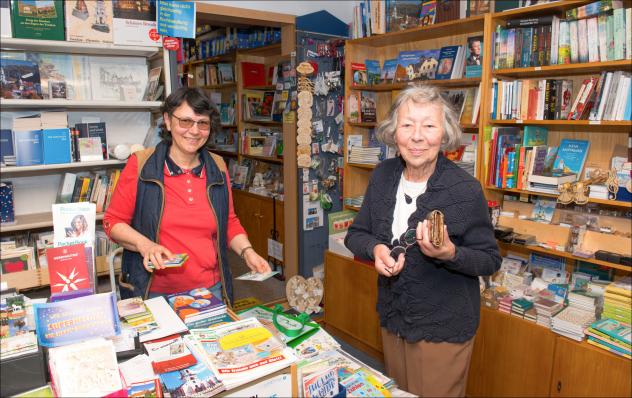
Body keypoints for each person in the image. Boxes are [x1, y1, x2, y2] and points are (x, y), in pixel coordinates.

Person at [345, 85, 501, 397]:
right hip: (393, 318)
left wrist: (450, 253)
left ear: (444, 135)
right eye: (407, 125)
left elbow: (489, 259)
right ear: (394, 131)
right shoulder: (382, 175)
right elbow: (356, 234)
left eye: (429, 125)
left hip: (442, 329)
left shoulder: (465, 190)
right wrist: (376, 249)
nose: (417, 136)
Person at [104, 87, 270, 303]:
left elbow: (229, 221)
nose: (194, 131)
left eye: (202, 123)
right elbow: (113, 222)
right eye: (185, 121)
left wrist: (248, 252)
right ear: (168, 120)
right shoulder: (142, 165)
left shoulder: (218, 167)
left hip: (209, 289)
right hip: (153, 291)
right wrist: (146, 245)